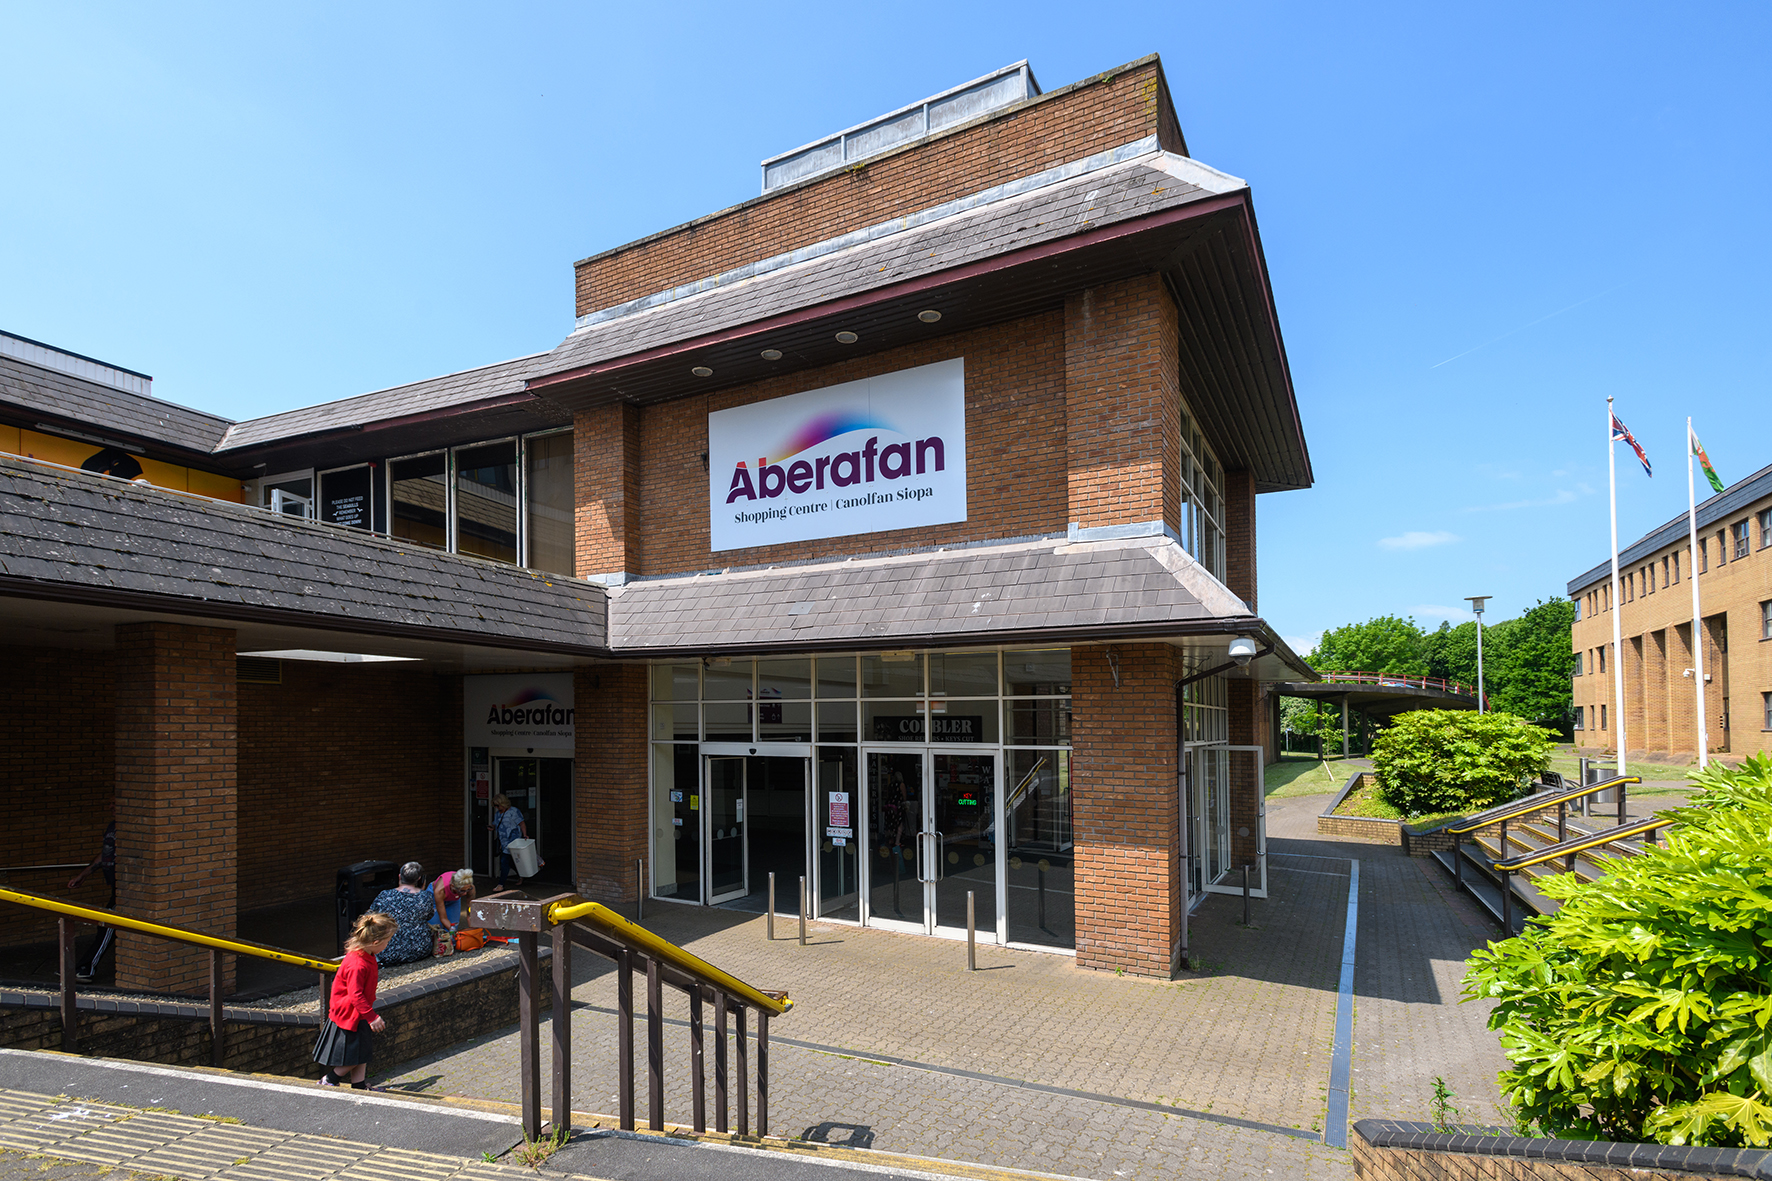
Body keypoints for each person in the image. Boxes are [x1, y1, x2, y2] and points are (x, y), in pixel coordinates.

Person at [314, 911, 393, 1089]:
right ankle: (330, 1079)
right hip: (351, 1014)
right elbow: (355, 994)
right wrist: (372, 1016)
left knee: (362, 1051)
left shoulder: (366, 955)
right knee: (355, 1055)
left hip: (358, 1012)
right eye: (387, 942)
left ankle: (358, 1085)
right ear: (375, 942)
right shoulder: (358, 964)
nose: (387, 945)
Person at [66, 816, 117, 982]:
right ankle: (84, 967)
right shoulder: (112, 826)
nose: (111, 807)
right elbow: (105, 854)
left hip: (126, 888)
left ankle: (86, 967)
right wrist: (83, 875)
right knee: (106, 927)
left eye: (114, 803)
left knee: (107, 926)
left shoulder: (129, 827)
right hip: (116, 886)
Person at [364, 862, 435, 966]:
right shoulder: (425, 897)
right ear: (419, 879)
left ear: (399, 876)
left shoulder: (385, 895)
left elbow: (369, 916)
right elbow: (429, 916)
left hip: (389, 951)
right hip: (420, 949)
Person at [489, 795, 538, 890]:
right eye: (495, 806)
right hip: (503, 841)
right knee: (511, 861)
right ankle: (521, 874)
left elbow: (522, 823)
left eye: (497, 805)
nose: (496, 808)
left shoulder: (514, 812)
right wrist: (492, 827)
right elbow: (496, 824)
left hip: (513, 841)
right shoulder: (498, 814)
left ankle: (501, 884)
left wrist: (525, 835)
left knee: (504, 861)